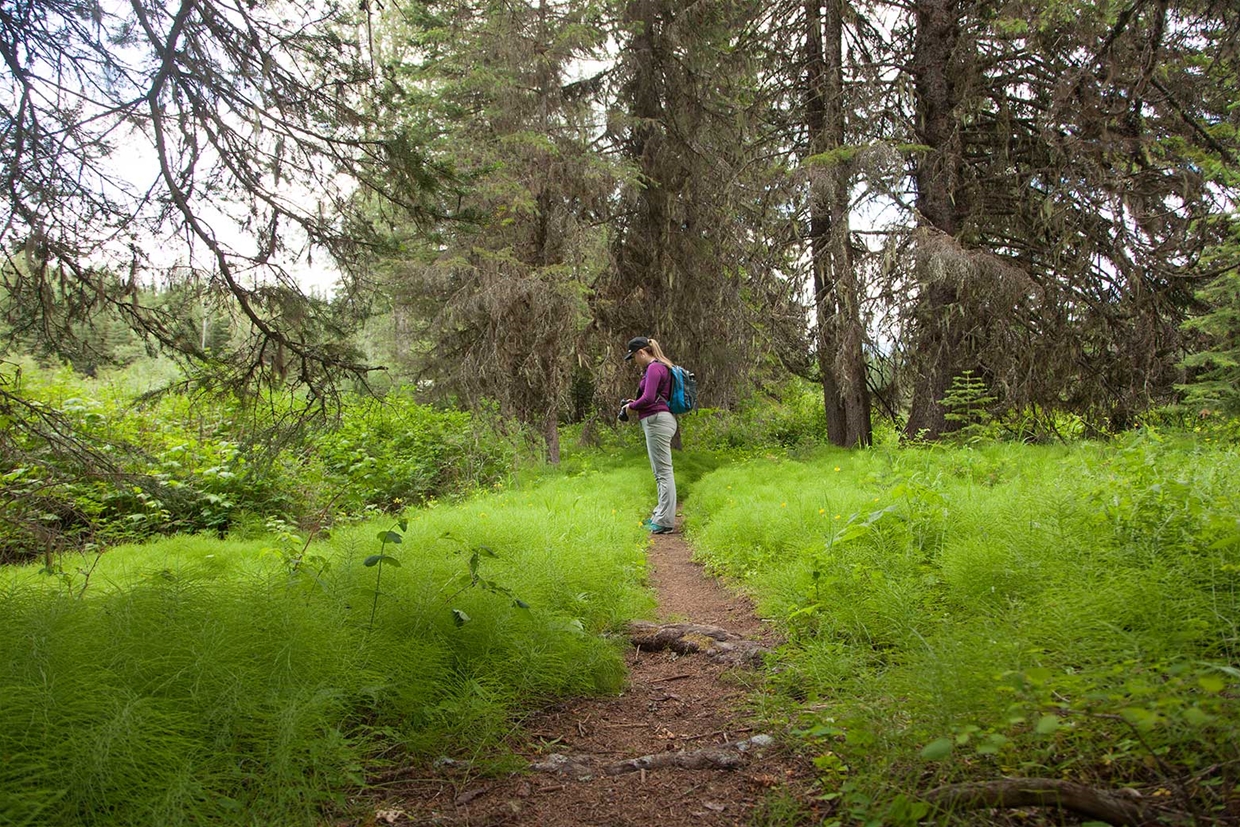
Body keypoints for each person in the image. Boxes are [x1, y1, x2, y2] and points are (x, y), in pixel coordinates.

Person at [620, 336, 678, 534]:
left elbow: (649, 398)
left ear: (642, 352)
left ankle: (664, 521)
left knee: (663, 473)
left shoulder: (654, 368)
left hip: (657, 421)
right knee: (660, 472)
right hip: (660, 419)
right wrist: (634, 402)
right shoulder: (662, 367)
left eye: (634, 357)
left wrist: (630, 407)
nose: (635, 361)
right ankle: (660, 515)